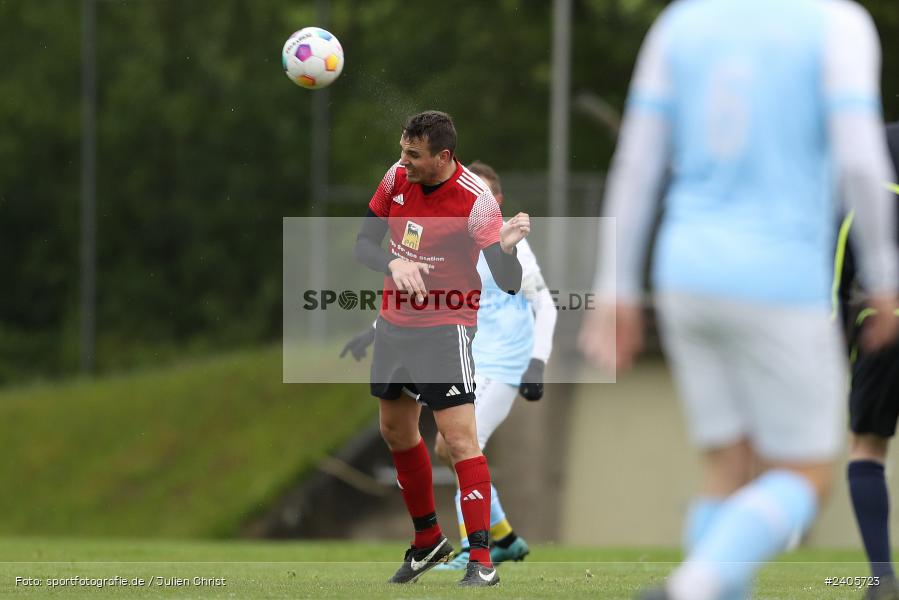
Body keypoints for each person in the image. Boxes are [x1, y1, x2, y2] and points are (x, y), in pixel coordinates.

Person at [578, 1, 899, 599]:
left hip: (685, 271)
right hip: (781, 275)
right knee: (806, 475)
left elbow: (638, 163)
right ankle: (690, 587)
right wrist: (883, 274)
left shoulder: (680, 24)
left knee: (726, 467)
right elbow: (861, 161)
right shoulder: (837, 24)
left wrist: (616, 283)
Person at [343, 161, 557, 570]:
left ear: (498, 201)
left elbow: (544, 303)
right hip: (467, 352)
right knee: (436, 442)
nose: (480, 204)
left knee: (455, 445)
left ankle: (474, 551)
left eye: (487, 196)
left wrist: (537, 362)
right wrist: (374, 330)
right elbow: (426, 292)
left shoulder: (507, 241)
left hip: (503, 362)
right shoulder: (456, 234)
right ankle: (502, 537)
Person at [837, 122, 899, 600]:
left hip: (884, 324)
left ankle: (882, 578)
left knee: (867, 447)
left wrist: (839, 338)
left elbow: (840, 261)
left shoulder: (867, 155)